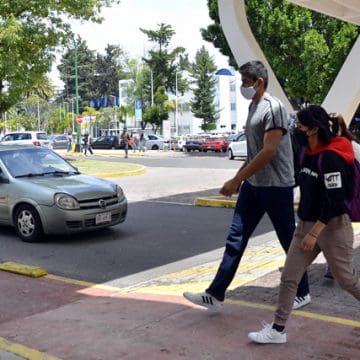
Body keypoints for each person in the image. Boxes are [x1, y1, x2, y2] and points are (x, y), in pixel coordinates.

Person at [183, 60, 310, 311]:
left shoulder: (273, 108)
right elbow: (254, 155)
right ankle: (215, 294)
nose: (243, 87)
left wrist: (237, 179)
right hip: (254, 185)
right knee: (236, 238)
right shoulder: (254, 106)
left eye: (245, 82)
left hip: (276, 186)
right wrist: (239, 179)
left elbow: (269, 151)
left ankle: (303, 292)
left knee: (288, 239)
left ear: (259, 82)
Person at [248, 105, 360, 344]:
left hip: (333, 227)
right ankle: (278, 330)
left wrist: (314, 234)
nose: (294, 129)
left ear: (312, 129)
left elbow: (336, 202)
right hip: (306, 225)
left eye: (298, 125)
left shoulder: (330, 157)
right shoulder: (305, 153)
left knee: (346, 280)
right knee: (289, 277)